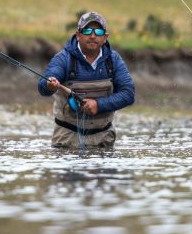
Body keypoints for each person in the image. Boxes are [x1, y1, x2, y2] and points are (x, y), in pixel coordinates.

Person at [38, 11, 135, 148]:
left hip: (103, 140)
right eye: (87, 31)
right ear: (78, 35)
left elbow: (128, 94)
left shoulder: (114, 60)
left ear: (105, 37)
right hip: (67, 140)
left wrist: (99, 105)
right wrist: (50, 85)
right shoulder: (63, 58)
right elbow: (43, 87)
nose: (93, 36)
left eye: (98, 32)